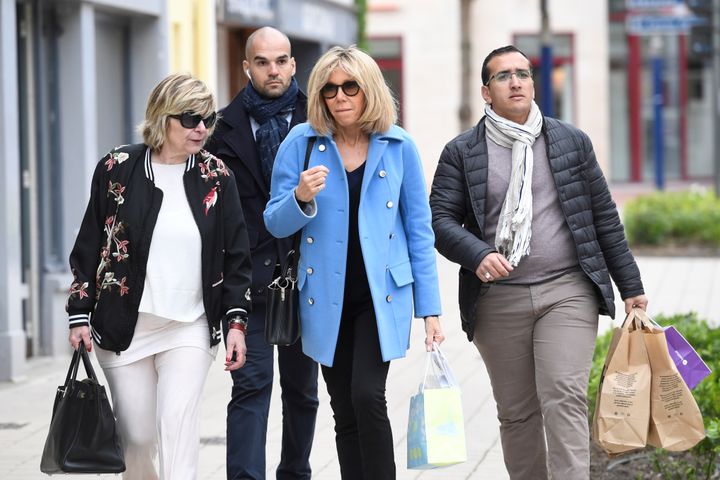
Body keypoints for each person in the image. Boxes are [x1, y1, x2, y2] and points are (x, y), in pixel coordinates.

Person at [429, 45, 649, 480]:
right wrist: (478, 254)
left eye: (522, 74)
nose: (515, 81)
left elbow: (603, 217)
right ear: (486, 92)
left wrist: (631, 287)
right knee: (517, 413)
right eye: (503, 76)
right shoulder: (462, 151)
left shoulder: (570, 141)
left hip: (567, 290)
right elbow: (438, 220)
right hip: (497, 300)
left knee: (563, 396)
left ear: (532, 83)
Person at [264, 45, 444, 480]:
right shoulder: (301, 143)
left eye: (350, 87)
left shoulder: (398, 146)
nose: (340, 96)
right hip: (324, 297)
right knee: (343, 409)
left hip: (379, 297)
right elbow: (273, 221)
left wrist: (431, 309)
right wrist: (300, 197)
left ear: (369, 91)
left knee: (368, 396)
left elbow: (420, 231)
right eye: (329, 89)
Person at [67, 73, 252, 479]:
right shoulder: (118, 167)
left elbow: (237, 256)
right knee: (136, 440)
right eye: (189, 118)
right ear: (162, 118)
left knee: (177, 427)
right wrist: (79, 312)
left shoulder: (216, 177)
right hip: (123, 327)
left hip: (190, 325)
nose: (201, 127)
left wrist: (235, 322)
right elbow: (88, 244)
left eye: (207, 118)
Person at [204, 27, 319, 480]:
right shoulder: (219, 130)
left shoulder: (322, 120)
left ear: (293, 64)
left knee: (302, 390)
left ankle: (296, 472)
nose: (274, 70)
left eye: (282, 60)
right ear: (246, 67)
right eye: (263, 62)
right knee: (250, 387)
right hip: (246, 280)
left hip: (306, 277)